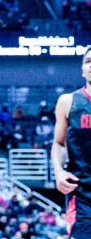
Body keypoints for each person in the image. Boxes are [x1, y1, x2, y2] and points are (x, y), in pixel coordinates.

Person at [52, 49, 91, 238]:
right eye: (88, 61)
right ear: (83, 69)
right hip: (82, 193)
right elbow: (59, 143)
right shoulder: (68, 102)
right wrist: (58, 172)